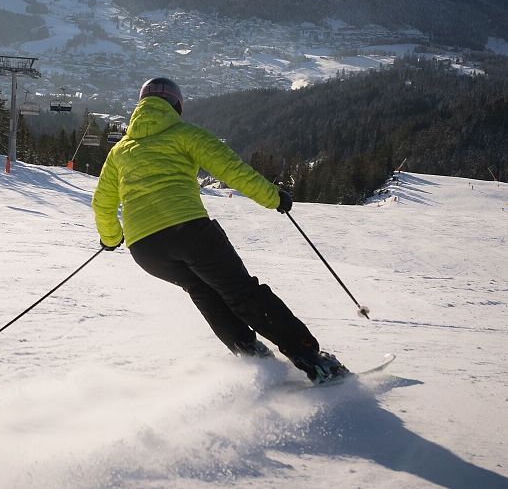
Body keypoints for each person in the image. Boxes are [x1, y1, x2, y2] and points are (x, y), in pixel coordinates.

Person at [92, 76, 348, 383]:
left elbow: (102, 204)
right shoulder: (184, 134)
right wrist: (273, 197)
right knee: (242, 292)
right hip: (189, 232)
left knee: (201, 289)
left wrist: (111, 238)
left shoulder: (120, 151)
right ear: (177, 105)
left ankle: (252, 356)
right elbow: (232, 169)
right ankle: (309, 356)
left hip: (146, 250)